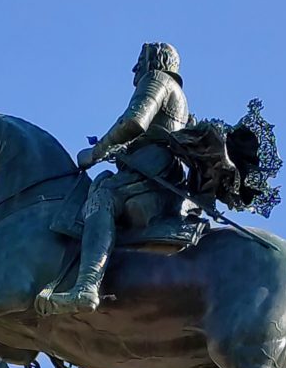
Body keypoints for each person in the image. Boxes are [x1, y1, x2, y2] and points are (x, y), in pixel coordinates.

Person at [38, 42, 189, 316]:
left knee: (102, 195)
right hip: (161, 174)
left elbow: (134, 122)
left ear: (154, 62)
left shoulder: (156, 80)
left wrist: (97, 152)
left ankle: (86, 286)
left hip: (150, 176)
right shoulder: (179, 95)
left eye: (140, 61)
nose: (135, 68)